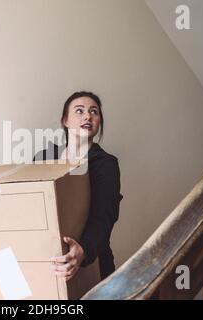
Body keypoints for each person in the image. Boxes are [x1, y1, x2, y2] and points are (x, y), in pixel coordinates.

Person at [33, 91, 123, 281]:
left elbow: (105, 215)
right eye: (79, 111)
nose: (88, 116)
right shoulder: (44, 158)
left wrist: (83, 250)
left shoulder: (105, 164)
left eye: (94, 112)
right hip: (49, 262)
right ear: (65, 120)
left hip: (93, 259)